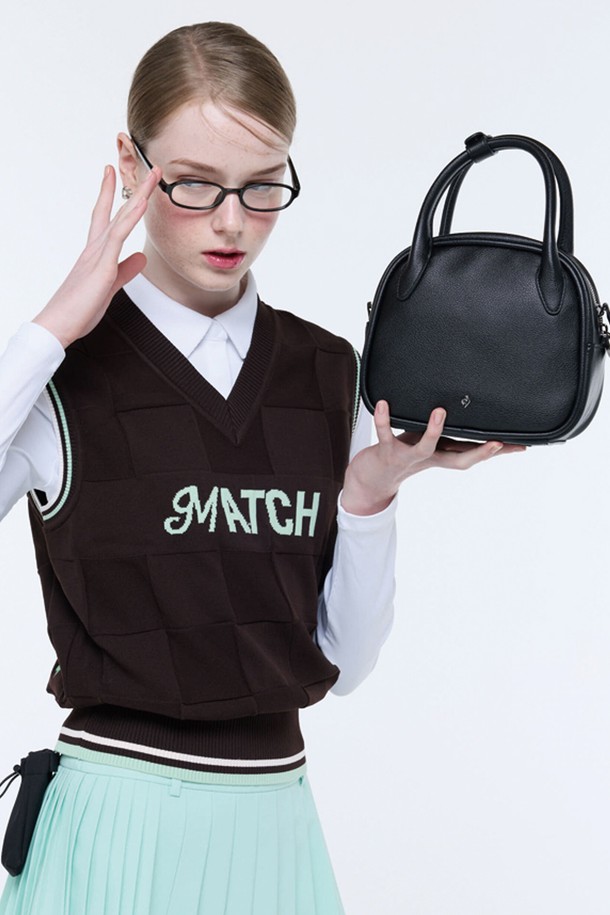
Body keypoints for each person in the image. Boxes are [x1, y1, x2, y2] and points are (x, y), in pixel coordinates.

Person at [0, 21, 523, 915]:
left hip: (276, 820)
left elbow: (344, 663)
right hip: (116, 821)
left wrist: (367, 497)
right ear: (130, 166)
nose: (232, 221)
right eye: (194, 184)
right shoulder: (63, 378)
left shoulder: (327, 373)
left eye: (261, 185)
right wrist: (52, 326)